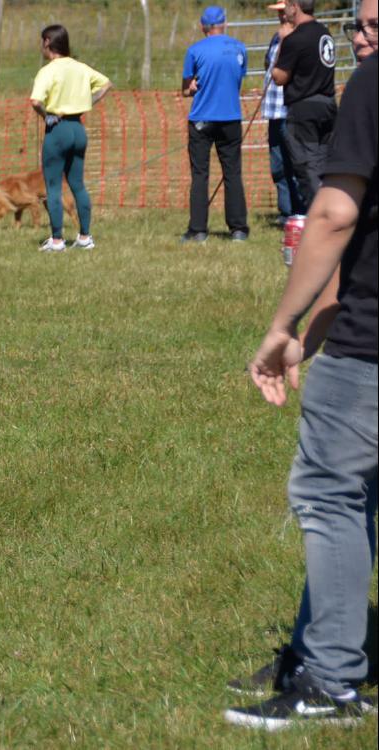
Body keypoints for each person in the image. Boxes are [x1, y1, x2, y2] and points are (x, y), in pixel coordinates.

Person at [230, 6, 376, 724]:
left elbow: (334, 215)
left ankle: (330, 678)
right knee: (358, 499)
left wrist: (283, 324)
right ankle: (314, 646)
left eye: (374, 21)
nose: (360, 35)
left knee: (329, 492)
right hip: (359, 321)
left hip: (373, 348)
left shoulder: (373, 85)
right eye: (359, 23)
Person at [29, 24, 112, 253]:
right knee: (78, 184)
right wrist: (87, 103)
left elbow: (35, 101)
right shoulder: (81, 67)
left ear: (47, 42)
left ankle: (57, 241)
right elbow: (106, 84)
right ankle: (85, 237)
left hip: (58, 129)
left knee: (53, 187)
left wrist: (47, 116)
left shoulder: (48, 71)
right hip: (78, 128)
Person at [180, 6, 250, 243]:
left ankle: (198, 230)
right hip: (230, 117)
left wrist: (191, 89)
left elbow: (186, 88)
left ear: (203, 27)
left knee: (200, 174)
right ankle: (238, 229)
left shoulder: (195, 50)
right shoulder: (239, 48)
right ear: (225, 24)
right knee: (233, 173)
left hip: (202, 118)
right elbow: (237, 80)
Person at [272, 0, 336, 210]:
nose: (285, 10)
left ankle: (319, 218)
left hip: (303, 110)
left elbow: (279, 76)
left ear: (295, 6)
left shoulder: (295, 38)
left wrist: (282, 41)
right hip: (327, 105)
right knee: (325, 164)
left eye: (287, 5)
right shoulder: (324, 32)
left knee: (307, 167)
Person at [264, 2, 305, 226]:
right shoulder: (276, 37)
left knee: (295, 163)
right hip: (272, 110)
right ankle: (285, 211)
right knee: (278, 164)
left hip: (289, 110)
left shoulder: (297, 38)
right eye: (277, 12)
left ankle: (300, 210)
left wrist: (284, 41)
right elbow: (268, 66)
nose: (280, 16)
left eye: (283, 11)